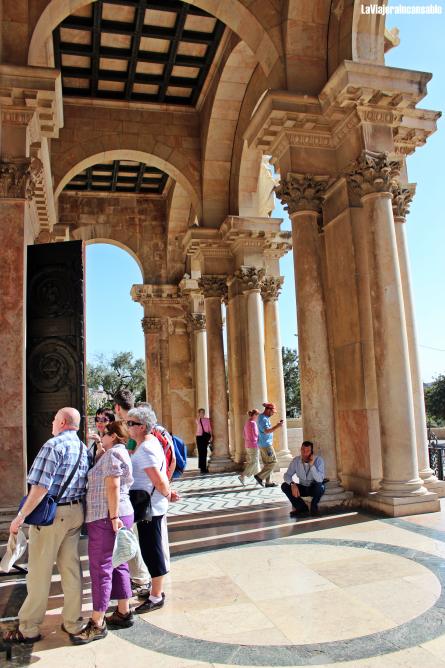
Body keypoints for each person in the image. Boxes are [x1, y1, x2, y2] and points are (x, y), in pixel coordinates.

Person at [4, 408, 89, 644]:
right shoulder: (82, 448)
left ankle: (29, 627)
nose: (52, 423)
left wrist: (20, 516)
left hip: (52, 515)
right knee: (71, 569)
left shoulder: (53, 446)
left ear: (62, 422)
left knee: (39, 571)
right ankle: (73, 622)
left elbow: (40, 488)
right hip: (75, 512)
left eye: (54, 419)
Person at [70, 421, 134, 644]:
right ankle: (124, 611)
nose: (101, 435)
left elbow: (113, 485)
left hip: (105, 516)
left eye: (104, 433)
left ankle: (97, 622)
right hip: (115, 514)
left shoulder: (113, 456)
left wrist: (113, 516)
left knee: (101, 568)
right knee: (118, 562)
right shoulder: (114, 453)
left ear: (114, 436)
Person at [127, 405, 174, 613]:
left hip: (150, 507)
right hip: (150, 504)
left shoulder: (145, 448)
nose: (128, 427)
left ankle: (156, 596)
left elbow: (157, 478)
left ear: (143, 426)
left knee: (152, 550)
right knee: (149, 548)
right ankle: (155, 589)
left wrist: (168, 493)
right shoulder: (148, 442)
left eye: (132, 423)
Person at [281, 441, 326, 517]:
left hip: (313, 487)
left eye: (307, 451)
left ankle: (313, 507)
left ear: (311, 452)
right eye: (303, 450)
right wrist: (292, 484)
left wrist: (312, 466)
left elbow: (319, 480)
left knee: (320, 487)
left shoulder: (319, 460)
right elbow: (287, 475)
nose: (304, 453)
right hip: (302, 487)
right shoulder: (296, 460)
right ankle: (302, 508)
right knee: (284, 486)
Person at [254, 402, 283, 488]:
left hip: (263, 444)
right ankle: (259, 476)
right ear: (268, 410)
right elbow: (266, 431)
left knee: (268, 463)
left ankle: (268, 482)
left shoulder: (264, 417)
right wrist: (277, 426)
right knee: (273, 462)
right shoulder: (263, 419)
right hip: (266, 445)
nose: (273, 413)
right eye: (272, 412)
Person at [238, 409, 260, 486]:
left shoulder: (247, 423)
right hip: (253, 445)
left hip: (248, 445)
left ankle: (259, 478)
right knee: (254, 462)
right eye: (257, 415)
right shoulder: (253, 423)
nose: (258, 417)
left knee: (255, 462)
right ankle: (242, 476)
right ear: (254, 415)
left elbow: (244, 435)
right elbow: (256, 435)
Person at [195, 408, 212, 474]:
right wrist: (199, 416)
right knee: (200, 452)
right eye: (201, 412)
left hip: (205, 437)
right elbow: (197, 421)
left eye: (203, 412)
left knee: (204, 452)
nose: (202, 413)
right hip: (199, 437)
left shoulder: (207, 420)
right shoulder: (198, 420)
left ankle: (204, 468)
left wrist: (211, 436)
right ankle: (202, 468)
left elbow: (210, 428)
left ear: (204, 413)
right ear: (199, 413)